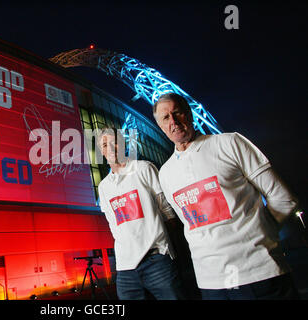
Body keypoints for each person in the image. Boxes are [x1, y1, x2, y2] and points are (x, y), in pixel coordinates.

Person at [153, 92, 300, 300]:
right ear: (160, 125)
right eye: (165, 118)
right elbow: (189, 223)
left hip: (260, 276)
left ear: (189, 114)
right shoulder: (166, 173)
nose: (173, 122)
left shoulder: (230, 143)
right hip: (211, 284)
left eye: (177, 113)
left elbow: (283, 199)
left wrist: (260, 237)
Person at [96, 126, 185, 300]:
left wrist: (167, 250)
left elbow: (167, 213)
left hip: (157, 261)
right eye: (105, 145)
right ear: (102, 151)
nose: (111, 148)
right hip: (125, 268)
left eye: (115, 142)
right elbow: (113, 225)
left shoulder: (144, 168)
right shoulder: (104, 187)